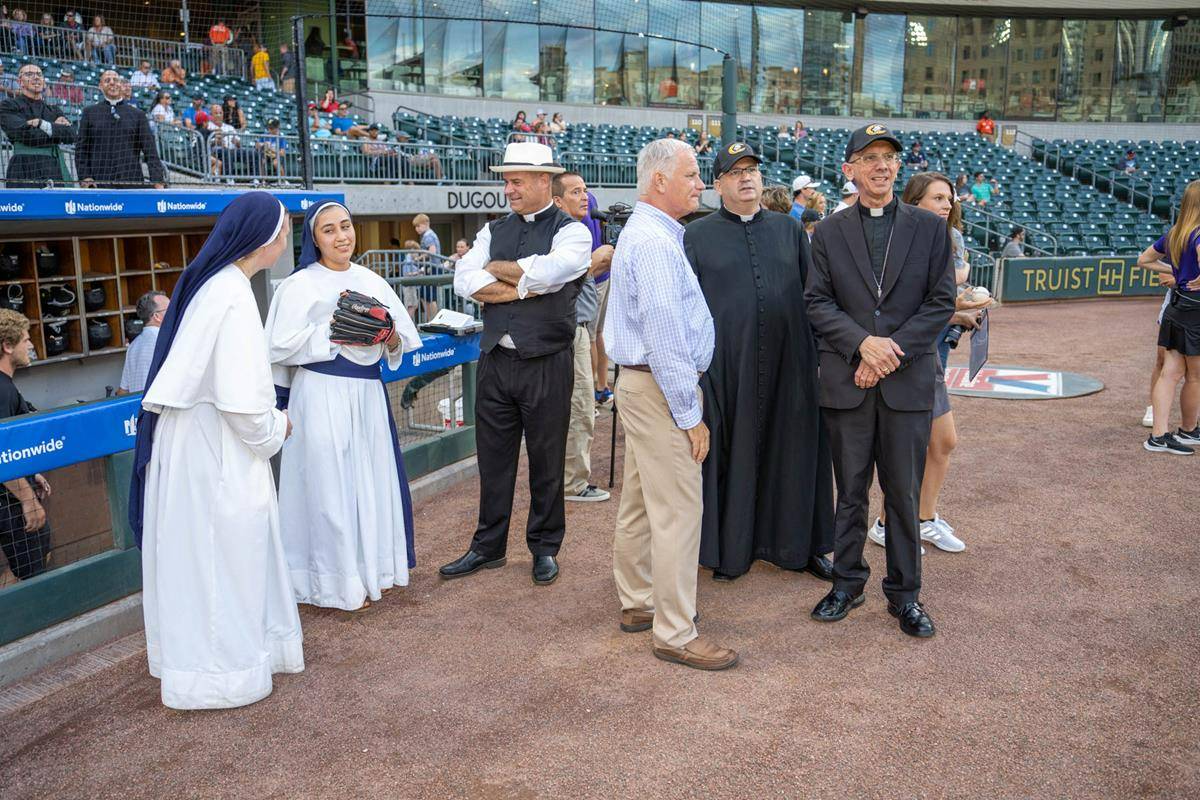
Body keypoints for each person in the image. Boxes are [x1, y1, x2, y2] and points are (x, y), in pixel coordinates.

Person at [129, 192, 304, 710]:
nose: (286, 237)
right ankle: (220, 677)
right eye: (285, 228)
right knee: (220, 559)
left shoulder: (216, 286)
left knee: (206, 559)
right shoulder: (231, 295)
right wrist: (279, 425)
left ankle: (222, 664)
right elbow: (243, 404)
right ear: (268, 238)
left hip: (198, 443)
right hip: (215, 451)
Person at [804, 124, 956, 639]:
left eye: (889, 157)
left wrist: (887, 352)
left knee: (903, 495)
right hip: (848, 381)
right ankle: (847, 583)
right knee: (849, 492)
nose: (881, 165)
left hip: (906, 383)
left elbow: (939, 303)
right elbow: (817, 302)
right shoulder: (828, 232)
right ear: (850, 169)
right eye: (869, 157)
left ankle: (906, 594)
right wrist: (861, 345)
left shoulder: (930, 229)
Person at [605, 138, 738, 671]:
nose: (700, 183)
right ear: (659, 181)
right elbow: (665, 337)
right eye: (691, 174)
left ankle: (639, 602)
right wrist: (690, 415)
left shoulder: (647, 233)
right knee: (681, 509)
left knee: (640, 502)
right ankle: (675, 632)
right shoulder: (655, 243)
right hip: (659, 388)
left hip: (640, 384)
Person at [442, 141, 591, 586]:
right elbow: (463, 281)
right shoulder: (493, 229)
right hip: (496, 360)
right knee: (493, 460)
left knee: (548, 460)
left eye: (516, 180)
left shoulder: (574, 232)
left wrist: (500, 270)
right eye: (506, 180)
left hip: (547, 360)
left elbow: (550, 274)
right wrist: (524, 282)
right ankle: (488, 547)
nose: (507, 188)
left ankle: (544, 548)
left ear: (544, 181)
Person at [685, 141, 834, 584]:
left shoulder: (789, 231)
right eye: (734, 172)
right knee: (732, 456)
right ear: (717, 185)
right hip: (728, 369)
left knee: (795, 453)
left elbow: (813, 295)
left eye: (752, 169)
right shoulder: (696, 235)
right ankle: (732, 551)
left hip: (792, 364)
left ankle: (802, 546)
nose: (746, 178)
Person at [266, 201, 422, 611]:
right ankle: (333, 583)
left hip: (367, 396)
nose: (342, 237)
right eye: (330, 230)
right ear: (314, 239)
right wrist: (334, 334)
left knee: (369, 480)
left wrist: (388, 337)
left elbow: (402, 338)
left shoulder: (370, 278)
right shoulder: (299, 285)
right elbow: (278, 344)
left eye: (346, 227)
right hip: (320, 392)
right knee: (328, 486)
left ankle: (375, 570)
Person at [870, 173, 988, 555]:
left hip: (931, 350)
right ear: (915, 201)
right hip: (903, 352)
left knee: (941, 442)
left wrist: (960, 310)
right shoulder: (898, 240)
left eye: (949, 198)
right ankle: (888, 523)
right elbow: (901, 307)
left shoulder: (946, 237)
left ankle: (922, 518)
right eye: (938, 198)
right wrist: (956, 314)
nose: (946, 205)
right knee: (908, 445)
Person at [553, 171, 613, 504]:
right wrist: (593, 263)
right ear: (558, 200)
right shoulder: (560, 232)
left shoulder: (580, 227)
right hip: (567, 329)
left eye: (586, 190)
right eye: (577, 191)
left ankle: (569, 478)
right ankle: (573, 483)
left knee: (580, 406)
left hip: (578, 327)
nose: (585, 196)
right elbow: (558, 280)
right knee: (580, 406)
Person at [1140, 179, 1200, 455]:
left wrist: (1177, 275)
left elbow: (1144, 259)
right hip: (1195, 312)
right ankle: (1188, 430)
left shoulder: (1177, 232)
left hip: (1176, 307)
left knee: (1171, 373)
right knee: (1194, 376)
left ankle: (1159, 435)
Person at [0, 309, 51, 583]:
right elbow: (0, 452)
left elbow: (13, 446)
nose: (30, 345)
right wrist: (28, 500)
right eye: (25, 340)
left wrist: (32, 471)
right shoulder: (2, 389)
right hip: (9, 504)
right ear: (7, 346)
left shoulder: (7, 386)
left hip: (11, 496)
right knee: (33, 577)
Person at [75, 70, 166, 189]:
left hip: (132, 183)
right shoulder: (89, 113)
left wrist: (157, 180)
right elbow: (81, 149)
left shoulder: (138, 115)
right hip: (99, 184)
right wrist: (85, 177)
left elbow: (150, 151)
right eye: (107, 80)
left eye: (116, 80)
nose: (112, 83)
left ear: (121, 85)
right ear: (100, 87)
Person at [0, 64, 75, 188]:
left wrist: (42, 124)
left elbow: (71, 135)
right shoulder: (8, 105)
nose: (36, 78)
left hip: (54, 168)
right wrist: (55, 129)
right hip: (23, 168)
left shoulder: (54, 110)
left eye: (39, 74)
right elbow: (24, 134)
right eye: (29, 74)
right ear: (20, 82)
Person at [118, 291, 169, 394]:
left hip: (141, 407)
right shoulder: (167, 342)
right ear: (157, 316)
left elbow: (123, 391)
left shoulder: (133, 346)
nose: (175, 311)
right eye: (170, 309)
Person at [412, 213, 442, 319]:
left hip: (432, 268)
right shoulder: (429, 235)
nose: (416, 229)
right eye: (415, 227)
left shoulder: (428, 235)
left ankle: (433, 320)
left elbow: (432, 251)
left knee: (430, 297)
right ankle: (431, 319)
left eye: (418, 226)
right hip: (430, 267)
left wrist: (418, 258)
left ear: (426, 224)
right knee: (425, 296)